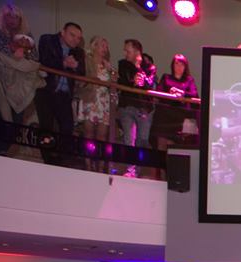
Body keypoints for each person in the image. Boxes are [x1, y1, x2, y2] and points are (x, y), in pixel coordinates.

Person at [35, 22, 84, 164]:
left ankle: (62, 160)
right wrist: (63, 63)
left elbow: (82, 72)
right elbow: (45, 60)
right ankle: (47, 159)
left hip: (64, 95)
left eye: (78, 38)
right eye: (72, 35)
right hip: (46, 90)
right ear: (62, 32)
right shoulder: (47, 40)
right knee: (46, 127)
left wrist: (75, 66)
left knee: (67, 126)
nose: (75, 40)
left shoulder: (78, 52)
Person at [75, 35, 115, 172]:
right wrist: (92, 79)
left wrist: (112, 73)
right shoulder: (87, 61)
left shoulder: (108, 65)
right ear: (94, 46)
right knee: (88, 134)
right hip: (90, 99)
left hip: (104, 102)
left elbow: (114, 84)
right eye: (102, 45)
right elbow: (81, 78)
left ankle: (101, 166)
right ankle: (88, 164)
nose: (105, 48)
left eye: (106, 46)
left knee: (102, 136)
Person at [153, 53, 198, 154]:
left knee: (174, 148)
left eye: (182, 64)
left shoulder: (189, 80)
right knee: (161, 145)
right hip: (164, 116)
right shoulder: (166, 77)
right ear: (172, 65)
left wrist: (182, 93)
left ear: (185, 67)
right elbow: (159, 93)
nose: (179, 67)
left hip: (179, 117)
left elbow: (194, 95)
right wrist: (171, 93)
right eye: (176, 64)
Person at [117, 39, 156, 150]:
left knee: (142, 141)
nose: (125, 54)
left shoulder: (150, 67)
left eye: (127, 51)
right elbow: (123, 81)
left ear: (137, 52)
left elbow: (150, 84)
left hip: (144, 107)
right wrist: (133, 81)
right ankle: (128, 161)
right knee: (128, 139)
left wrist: (140, 71)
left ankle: (138, 161)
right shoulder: (123, 64)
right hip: (127, 105)